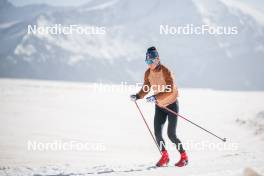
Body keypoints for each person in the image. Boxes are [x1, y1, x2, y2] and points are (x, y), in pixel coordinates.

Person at [130, 46, 188, 167]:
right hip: (160, 107)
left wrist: (156, 97)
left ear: (157, 59)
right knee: (157, 133)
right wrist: (138, 96)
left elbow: (170, 88)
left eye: (151, 61)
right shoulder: (148, 73)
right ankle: (165, 156)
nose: (149, 64)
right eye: (147, 61)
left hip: (171, 105)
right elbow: (146, 88)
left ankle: (184, 157)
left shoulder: (166, 71)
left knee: (171, 134)